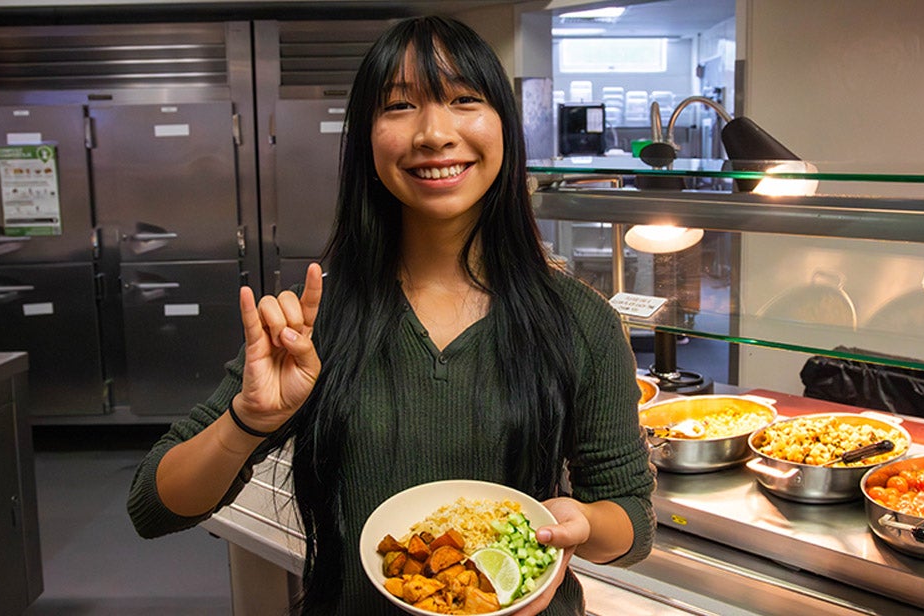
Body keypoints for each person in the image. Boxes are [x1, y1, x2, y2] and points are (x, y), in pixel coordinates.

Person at [128, 15, 655, 615]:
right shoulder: (318, 318)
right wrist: (248, 420)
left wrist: (581, 523)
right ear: (366, 137)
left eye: (463, 100)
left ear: (505, 126)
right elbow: (154, 505)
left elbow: (631, 522)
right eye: (400, 106)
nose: (434, 133)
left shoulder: (578, 319)